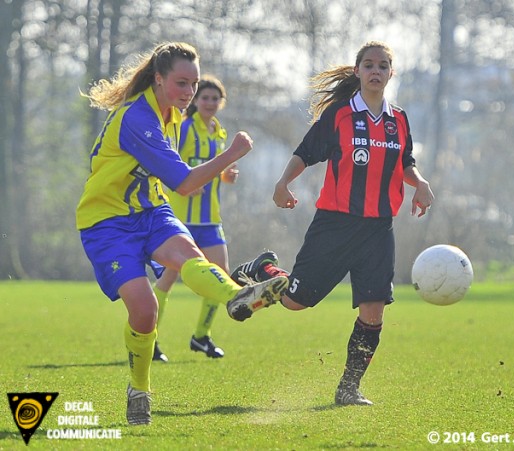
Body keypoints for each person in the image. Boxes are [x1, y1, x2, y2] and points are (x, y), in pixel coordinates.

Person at [76, 42, 288, 425]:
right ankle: (139, 388)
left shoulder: (169, 112)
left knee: (190, 257)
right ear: (158, 79)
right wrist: (232, 153)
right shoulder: (138, 119)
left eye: (193, 83)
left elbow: (174, 180)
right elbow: (185, 183)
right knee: (145, 311)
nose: (189, 93)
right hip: (107, 222)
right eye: (181, 83)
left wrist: (220, 167)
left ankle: (238, 297)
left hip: (151, 211)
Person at [226, 41, 435, 406]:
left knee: (374, 313)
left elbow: (405, 162)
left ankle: (348, 388)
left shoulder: (398, 119)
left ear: (391, 73)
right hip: (335, 224)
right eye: (369, 65)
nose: (376, 71)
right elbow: (306, 152)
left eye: (383, 66)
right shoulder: (340, 115)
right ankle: (264, 268)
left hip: (378, 229)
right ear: (357, 71)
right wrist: (282, 183)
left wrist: (421, 185)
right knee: (295, 302)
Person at [152, 75, 239, 362]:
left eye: (215, 99)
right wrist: (185, 184)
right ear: (195, 100)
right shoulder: (186, 128)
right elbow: (169, 162)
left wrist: (226, 175)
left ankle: (201, 336)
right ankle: (149, 338)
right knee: (168, 278)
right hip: (181, 218)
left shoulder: (219, 131)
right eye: (205, 97)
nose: (210, 103)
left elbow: (216, 168)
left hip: (210, 218)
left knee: (220, 276)